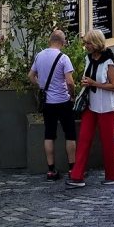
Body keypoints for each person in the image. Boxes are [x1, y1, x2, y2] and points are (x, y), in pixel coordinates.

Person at [66, 29, 114, 187]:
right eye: (85, 43)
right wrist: (85, 82)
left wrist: (93, 83)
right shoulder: (88, 58)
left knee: (108, 141)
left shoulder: (108, 61)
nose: (85, 46)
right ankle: (77, 175)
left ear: (96, 43)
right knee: (84, 138)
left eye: (88, 43)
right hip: (91, 105)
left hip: (106, 106)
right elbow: (88, 77)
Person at [28, 29, 76, 180]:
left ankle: (50, 169)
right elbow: (69, 81)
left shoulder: (39, 55)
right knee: (70, 134)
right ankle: (72, 168)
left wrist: (41, 86)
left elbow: (30, 75)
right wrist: (72, 95)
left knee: (49, 134)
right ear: (62, 42)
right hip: (63, 100)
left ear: (50, 40)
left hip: (48, 102)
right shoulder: (63, 58)